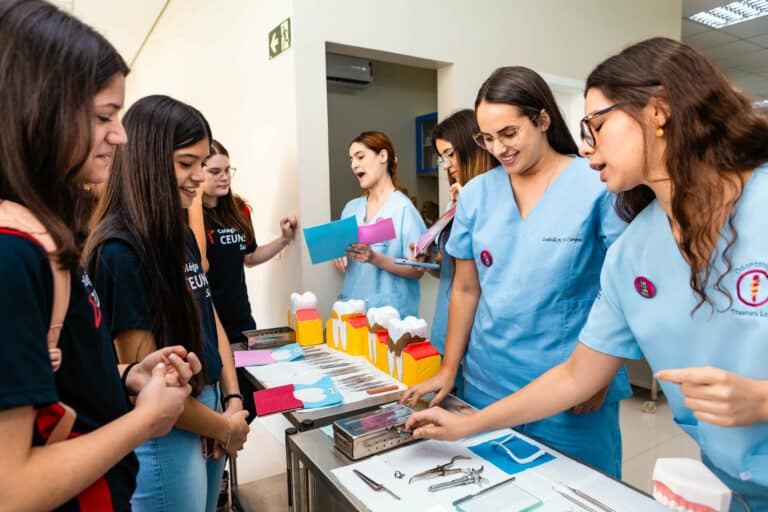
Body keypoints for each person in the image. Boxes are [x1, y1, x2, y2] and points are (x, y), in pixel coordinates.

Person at [406, 38, 768, 510]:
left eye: (596, 125)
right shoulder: (635, 251)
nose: (586, 147)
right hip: (735, 484)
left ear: (658, 111)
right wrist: (470, 423)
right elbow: (577, 373)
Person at [0, 1, 199, 510]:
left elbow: (43, 383)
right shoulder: (13, 255)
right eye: (104, 116)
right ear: (38, 112)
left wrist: (120, 377)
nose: (120, 134)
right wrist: (145, 421)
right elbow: (12, 487)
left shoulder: (45, 236)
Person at [402, 67, 631, 477]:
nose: (499, 149)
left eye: (509, 133)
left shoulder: (596, 187)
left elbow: (625, 289)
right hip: (487, 384)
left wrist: (602, 373)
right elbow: (467, 290)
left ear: (542, 120)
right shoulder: (476, 195)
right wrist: (449, 369)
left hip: (570, 392)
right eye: (487, 139)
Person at [85, 96, 250, 512]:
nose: (199, 177)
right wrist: (223, 426)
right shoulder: (119, 251)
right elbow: (152, 383)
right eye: (186, 163)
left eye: (203, 163)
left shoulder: (180, 234)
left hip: (207, 410)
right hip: (169, 428)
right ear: (149, 159)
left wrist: (231, 401)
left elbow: (212, 322)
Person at [201, 139, 297, 419]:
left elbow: (250, 257)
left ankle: (229, 445)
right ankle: (221, 455)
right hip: (210, 324)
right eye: (215, 171)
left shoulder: (238, 209)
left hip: (242, 320)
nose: (224, 177)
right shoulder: (188, 215)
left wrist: (284, 240)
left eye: (228, 170)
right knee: (219, 401)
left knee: (251, 397)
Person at [422, 110, 497, 396]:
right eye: (442, 157)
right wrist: (431, 259)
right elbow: (454, 271)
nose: (447, 165)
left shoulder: (491, 198)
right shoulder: (458, 199)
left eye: (450, 154)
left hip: (478, 333)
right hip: (448, 325)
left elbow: (490, 265)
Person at [333, 131, 427, 317]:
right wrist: (337, 255)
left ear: (383, 156)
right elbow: (340, 250)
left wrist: (374, 258)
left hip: (391, 319)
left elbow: (418, 270)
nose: (354, 165)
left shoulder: (403, 210)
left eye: (360, 157)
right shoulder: (350, 209)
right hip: (353, 313)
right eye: (351, 159)